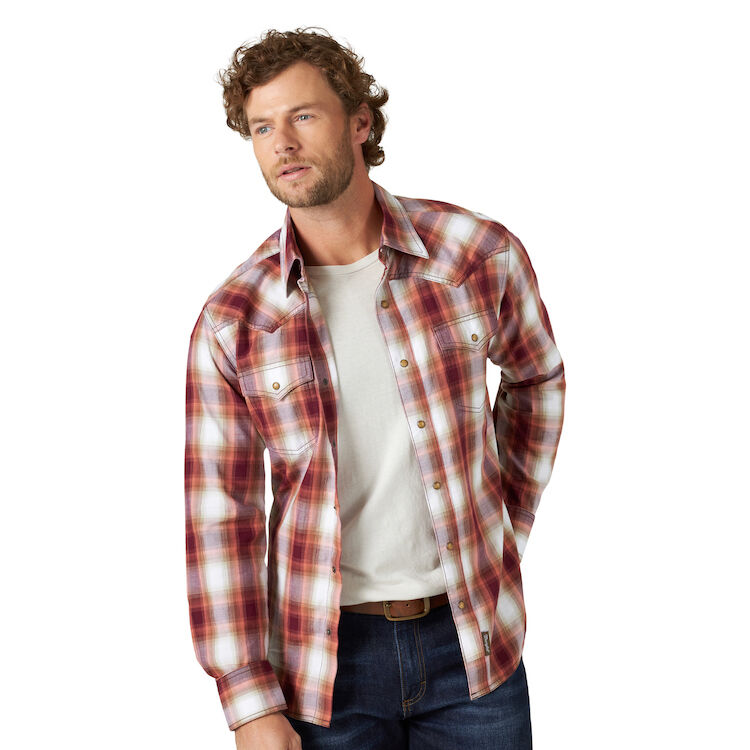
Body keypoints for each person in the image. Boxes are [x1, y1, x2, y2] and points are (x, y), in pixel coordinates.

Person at [184, 27, 565, 750]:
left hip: (473, 643)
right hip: (323, 665)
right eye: (262, 127)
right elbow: (220, 515)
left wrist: (500, 526)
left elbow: (537, 377)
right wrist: (249, 702)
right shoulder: (236, 318)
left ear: (360, 121)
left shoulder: (474, 254)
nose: (282, 143)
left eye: (303, 115)